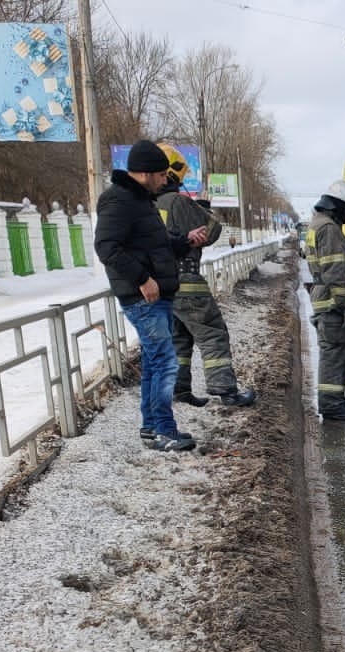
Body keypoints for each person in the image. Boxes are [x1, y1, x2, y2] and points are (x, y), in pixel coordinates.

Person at [94, 139, 209, 452]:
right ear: (145, 173)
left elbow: (156, 244)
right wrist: (143, 279)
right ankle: (163, 431)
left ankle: (151, 428)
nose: (165, 180)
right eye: (161, 174)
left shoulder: (141, 199)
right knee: (165, 364)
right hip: (141, 297)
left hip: (155, 297)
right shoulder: (118, 200)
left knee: (155, 363)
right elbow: (106, 248)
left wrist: (186, 240)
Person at [153, 143, 257, 409]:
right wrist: (201, 209)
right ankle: (226, 392)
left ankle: (179, 389)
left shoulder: (147, 206)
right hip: (186, 280)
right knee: (212, 333)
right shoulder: (177, 201)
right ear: (172, 174)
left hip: (160, 284)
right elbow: (212, 231)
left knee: (179, 337)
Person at [308, 180, 345, 423]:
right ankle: (331, 405)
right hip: (332, 302)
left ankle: (335, 400)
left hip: (323, 299)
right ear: (338, 206)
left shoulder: (317, 224)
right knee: (334, 354)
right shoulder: (329, 229)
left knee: (335, 353)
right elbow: (334, 273)